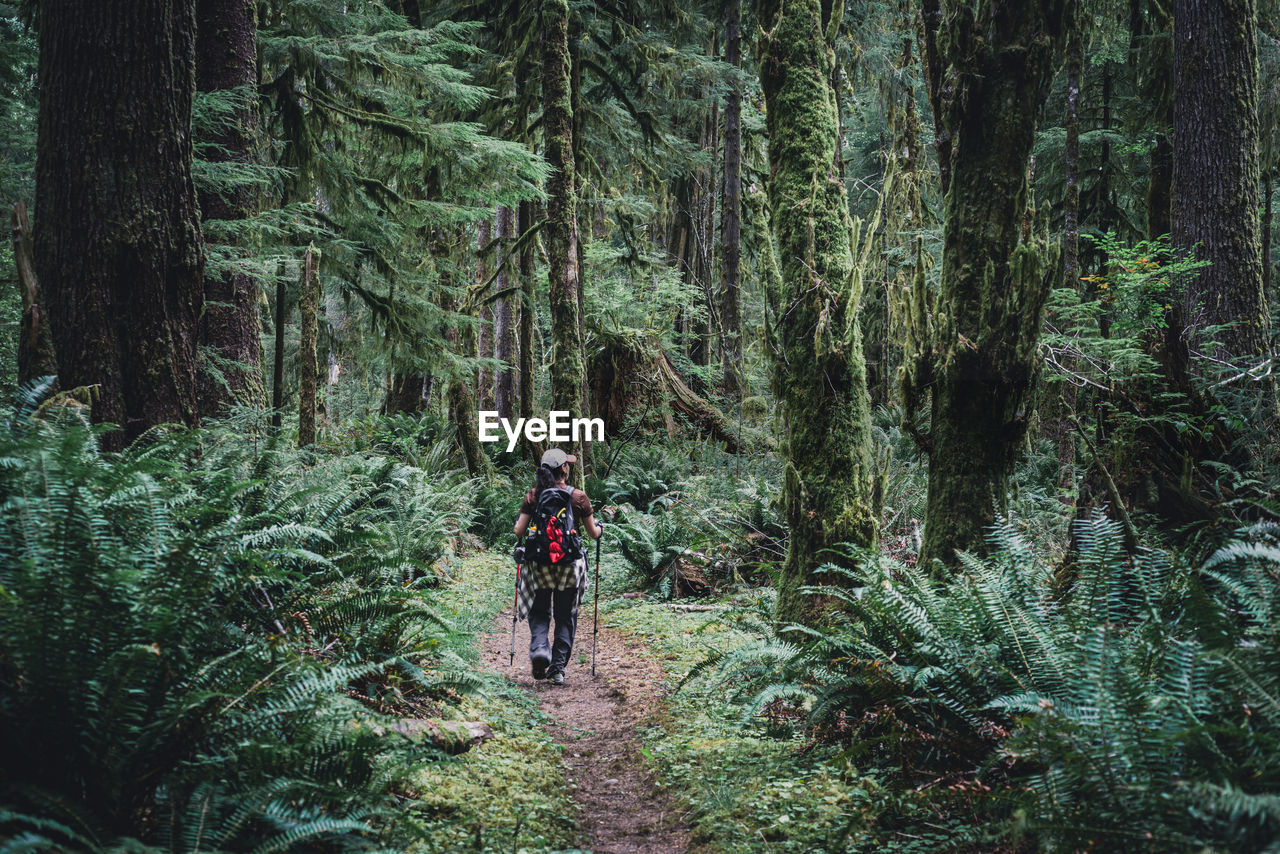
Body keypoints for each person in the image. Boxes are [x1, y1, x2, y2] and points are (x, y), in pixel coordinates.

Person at [513, 448, 603, 685]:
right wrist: (601, 528)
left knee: (539, 611)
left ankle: (541, 648)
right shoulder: (578, 497)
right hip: (569, 566)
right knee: (566, 616)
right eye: (568, 464)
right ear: (564, 469)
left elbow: (519, 531)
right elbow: (593, 533)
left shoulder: (533, 496)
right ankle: (558, 669)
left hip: (539, 564)